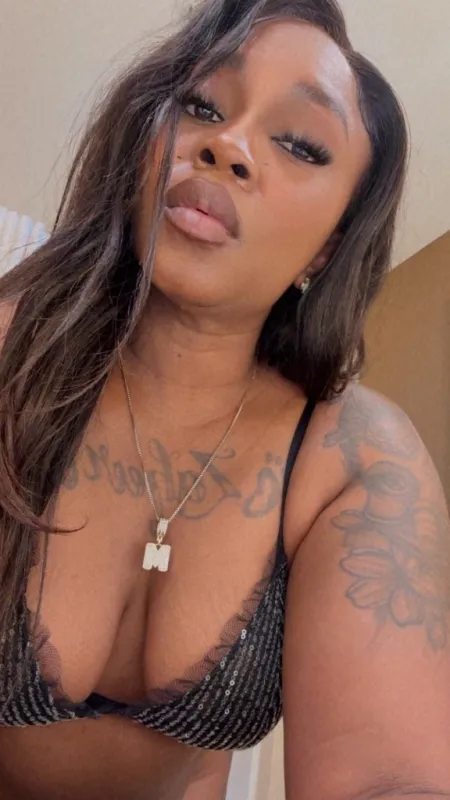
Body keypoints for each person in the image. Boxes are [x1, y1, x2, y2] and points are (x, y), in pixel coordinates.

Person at [0, 0, 449, 797]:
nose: (228, 145)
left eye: (300, 144)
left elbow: (388, 776)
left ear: (331, 244)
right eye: (203, 106)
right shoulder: (12, 356)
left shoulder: (352, 461)